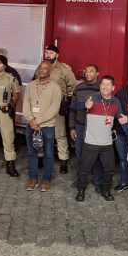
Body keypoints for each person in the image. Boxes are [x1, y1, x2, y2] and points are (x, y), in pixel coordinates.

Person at [74, 75, 128, 202]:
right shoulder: (92, 97)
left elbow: (121, 119)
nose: (104, 87)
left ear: (113, 87)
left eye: (108, 84)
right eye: (102, 84)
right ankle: (81, 190)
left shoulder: (116, 102)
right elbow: (76, 106)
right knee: (84, 169)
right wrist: (85, 105)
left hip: (107, 143)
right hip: (90, 142)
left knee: (109, 170)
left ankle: (106, 190)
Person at [23, 60, 62, 192]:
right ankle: (33, 179)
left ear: (50, 70)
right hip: (31, 125)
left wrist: (37, 121)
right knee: (31, 153)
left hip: (47, 127)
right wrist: (31, 120)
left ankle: (46, 179)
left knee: (49, 154)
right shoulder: (30, 85)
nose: (42, 70)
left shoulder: (55, 88)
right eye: (40, 67)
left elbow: (54, 109)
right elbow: (26, 105)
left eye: (45, 68)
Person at [42, 45, 76, 174]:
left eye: (51, 53)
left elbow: (71, 86)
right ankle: (41, 158)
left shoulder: (64, 69)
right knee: (42, 133)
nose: (48, 55)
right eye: (46, 52)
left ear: (57, 55)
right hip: (42, 107)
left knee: (60, 134)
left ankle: (63, 161)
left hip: (58, 107)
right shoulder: (41, 67)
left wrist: (66, 101)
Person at [69, 64, 103, 190]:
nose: (88, 74)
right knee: (80, 153)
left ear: (97, 73)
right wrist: (72, 127)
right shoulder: (78, 88)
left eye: (91, 71)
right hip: (80, 126)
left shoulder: (101, 88)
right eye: (86, 71)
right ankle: (81, 179)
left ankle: (97, 180)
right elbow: (72, 109)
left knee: (96, 154)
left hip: (95, 128)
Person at [0, 48, 22, 163]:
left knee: (9, 133)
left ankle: (10, 157)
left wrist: (11, 105)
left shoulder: (13, 73)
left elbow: (17, 91)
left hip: (7, 109)